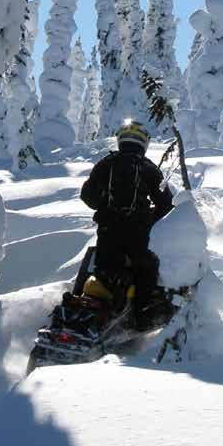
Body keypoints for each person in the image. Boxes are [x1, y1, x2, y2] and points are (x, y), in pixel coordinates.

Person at [80, 119, 173, 317]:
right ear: (144, 143)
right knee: (147, 268)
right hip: (138, 231)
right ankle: (140, 316)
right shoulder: (148, 167)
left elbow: (87, 195)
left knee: (101, 266)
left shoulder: (106, 163)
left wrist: (104, 207)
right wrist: (152, 217)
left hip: (107, 228)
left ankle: (80, 297)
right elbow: (165, 203)